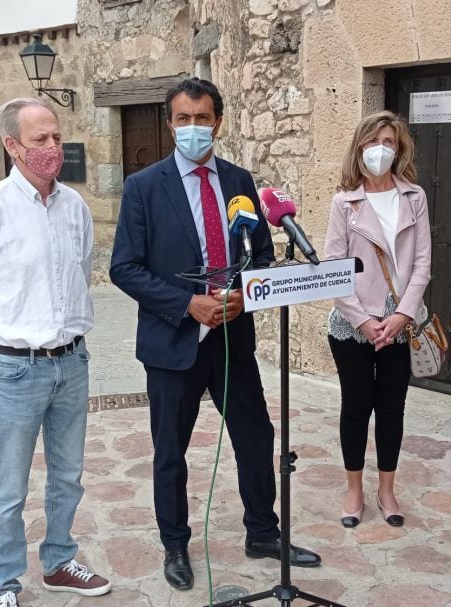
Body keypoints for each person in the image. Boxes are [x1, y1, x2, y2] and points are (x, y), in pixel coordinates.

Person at [110, 77, 321, 591]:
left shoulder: (239, 181)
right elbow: (125, 268)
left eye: (202, 118)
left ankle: (263, 532)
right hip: (172, 342)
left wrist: (243, 297)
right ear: (169, 124)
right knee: (170, 451)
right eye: (183, 119)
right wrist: (189, 304)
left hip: (232, 338)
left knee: (256, 437)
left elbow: (263, 257)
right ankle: (176, 545)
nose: (192, 128)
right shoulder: (144, 187)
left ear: (218, 122)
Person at [0, 97, 111, 607]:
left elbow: (80, 275)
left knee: (68, 475)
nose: (52, 149)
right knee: (9, 487)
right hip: (16, 368)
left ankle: (60, 560)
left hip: (72, 360)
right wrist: (9, 339)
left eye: (57, 138)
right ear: (12, 145)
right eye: (40, 140)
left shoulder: (75, 207)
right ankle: (3, 581)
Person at [323, 111, 432, 529]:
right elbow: (334, 267)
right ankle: (355, 489)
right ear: (359, 148)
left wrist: (403, 314)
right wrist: (364, 320)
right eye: (371, 142)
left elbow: (422, 263)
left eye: (387, 141)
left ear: (399, 147)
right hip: (353, 326)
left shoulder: (414, 198)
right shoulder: (344, 202)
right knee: (355, 408)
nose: (379, 150)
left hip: (400, 326)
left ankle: (387, 490)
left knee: (391, 408)